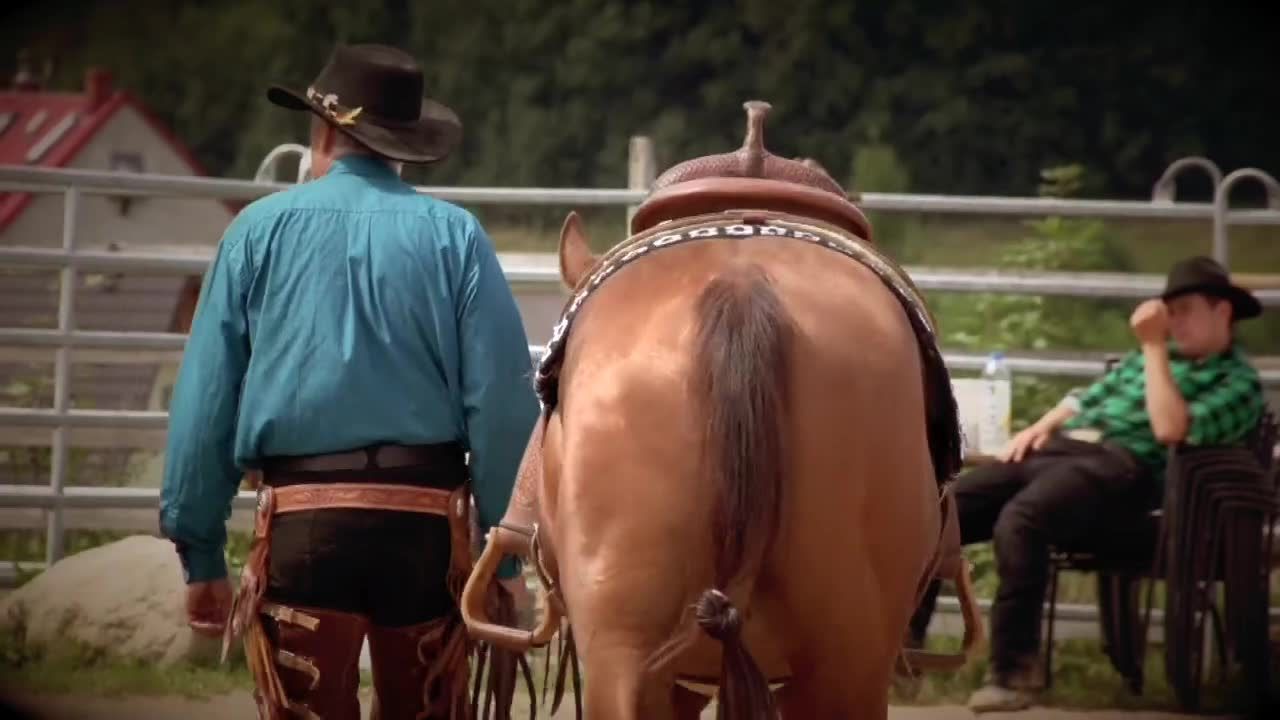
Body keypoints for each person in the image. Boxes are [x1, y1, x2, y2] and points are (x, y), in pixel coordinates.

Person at [159, 44, 539, 719]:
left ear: (324, 130)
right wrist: (500, 558)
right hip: (425, 532)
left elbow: (205, 405)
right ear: (404, 143)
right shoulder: (456, 237)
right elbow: (503, 404)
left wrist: (201, 553)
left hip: (305, 530)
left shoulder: (255, 233)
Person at [907, 255, 1266, 712]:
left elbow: (1170, 429)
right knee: (941, 510)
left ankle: (1013, 674)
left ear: (1223, 312)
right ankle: (905, 657)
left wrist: (1155, 349)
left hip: (1124, 465)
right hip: (1060, 451)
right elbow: (1082, 399)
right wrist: (1039, 426)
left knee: (1022, 521)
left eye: (1185, 311)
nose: (1172, 322)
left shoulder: (1234, 380)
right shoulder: (1144, 362)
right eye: (1168, 312)